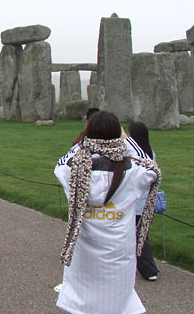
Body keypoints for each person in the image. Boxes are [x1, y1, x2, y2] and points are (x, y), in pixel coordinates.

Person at [54, 111, 161, 314]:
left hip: (84, 255)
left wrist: (83, 142)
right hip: (117, 253)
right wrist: (126, 140)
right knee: (117, 304)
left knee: (83, 305)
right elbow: (150, 165)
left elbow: (61, 163)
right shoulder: (133, 173)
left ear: (88, 134)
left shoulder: (73, 172)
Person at [128, 121, 159, 281]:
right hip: (146, 201)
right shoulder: (150, 153)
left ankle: (149, 270)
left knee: (138, 237)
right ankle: (143, 267)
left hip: (135, 203)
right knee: (139, 235)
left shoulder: (134, 154)